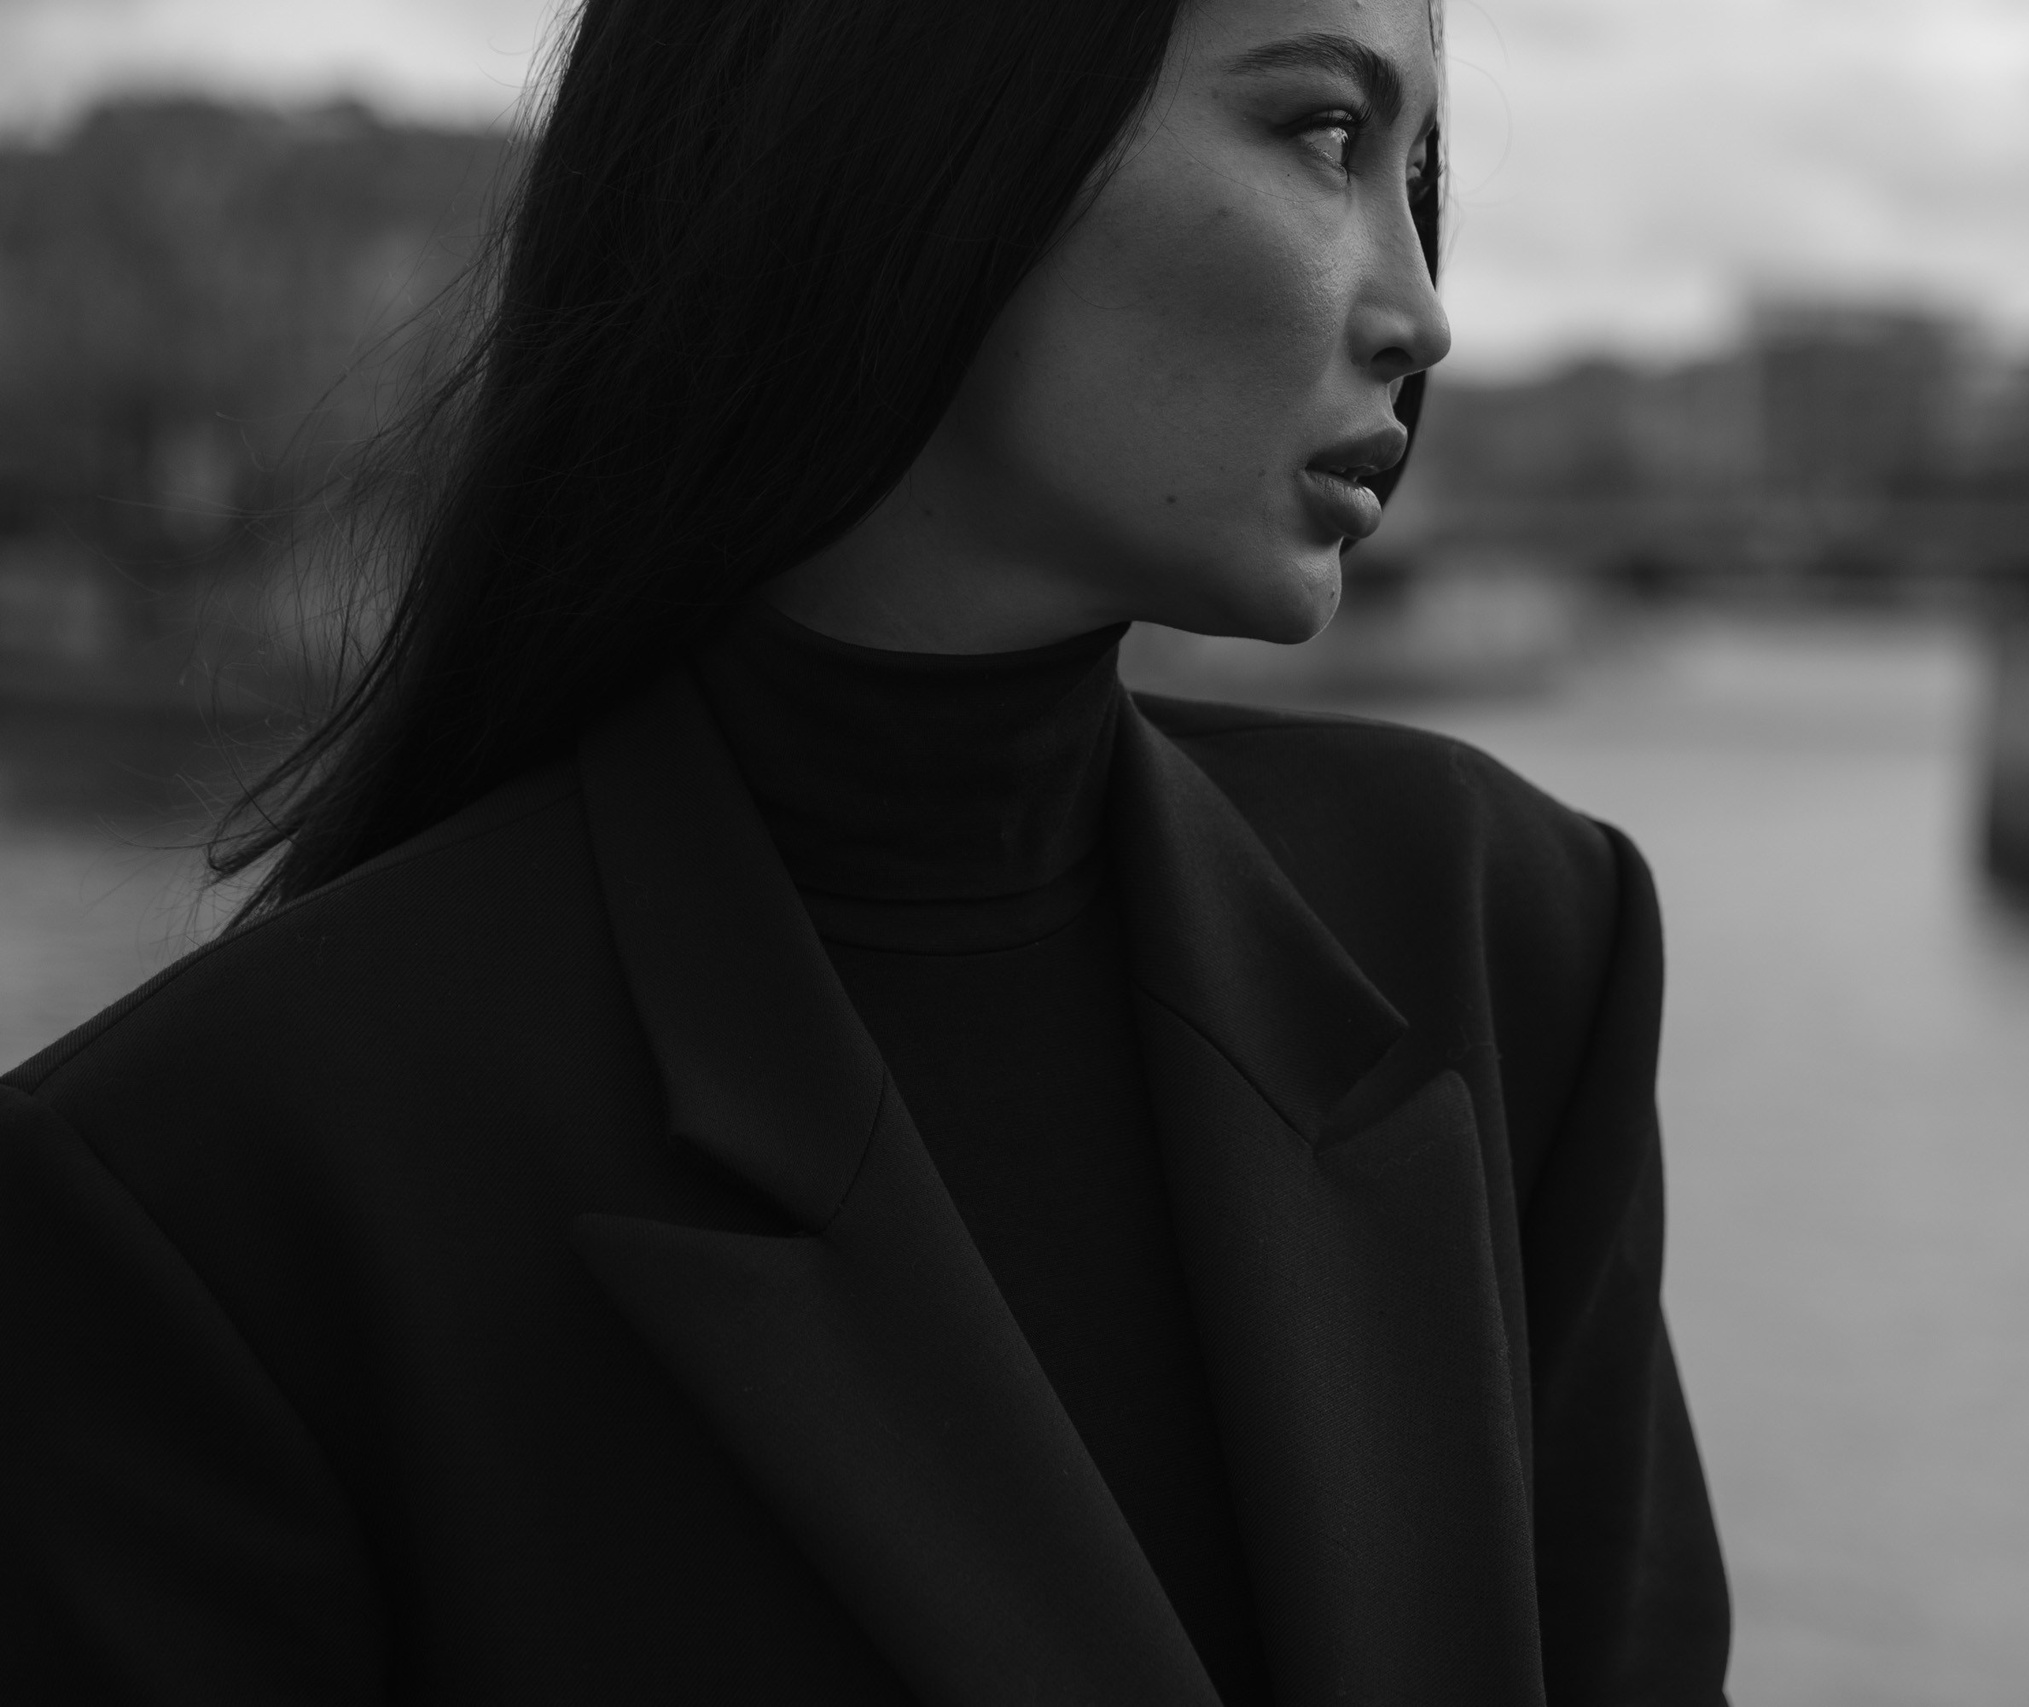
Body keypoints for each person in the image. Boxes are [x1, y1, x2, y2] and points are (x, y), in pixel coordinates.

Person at [0, 0, 1730, 1699]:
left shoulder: (1506, 933)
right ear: (917, 135)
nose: (1422, 311)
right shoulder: (205, 1191)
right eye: (1328, 135)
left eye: (1419, 176)